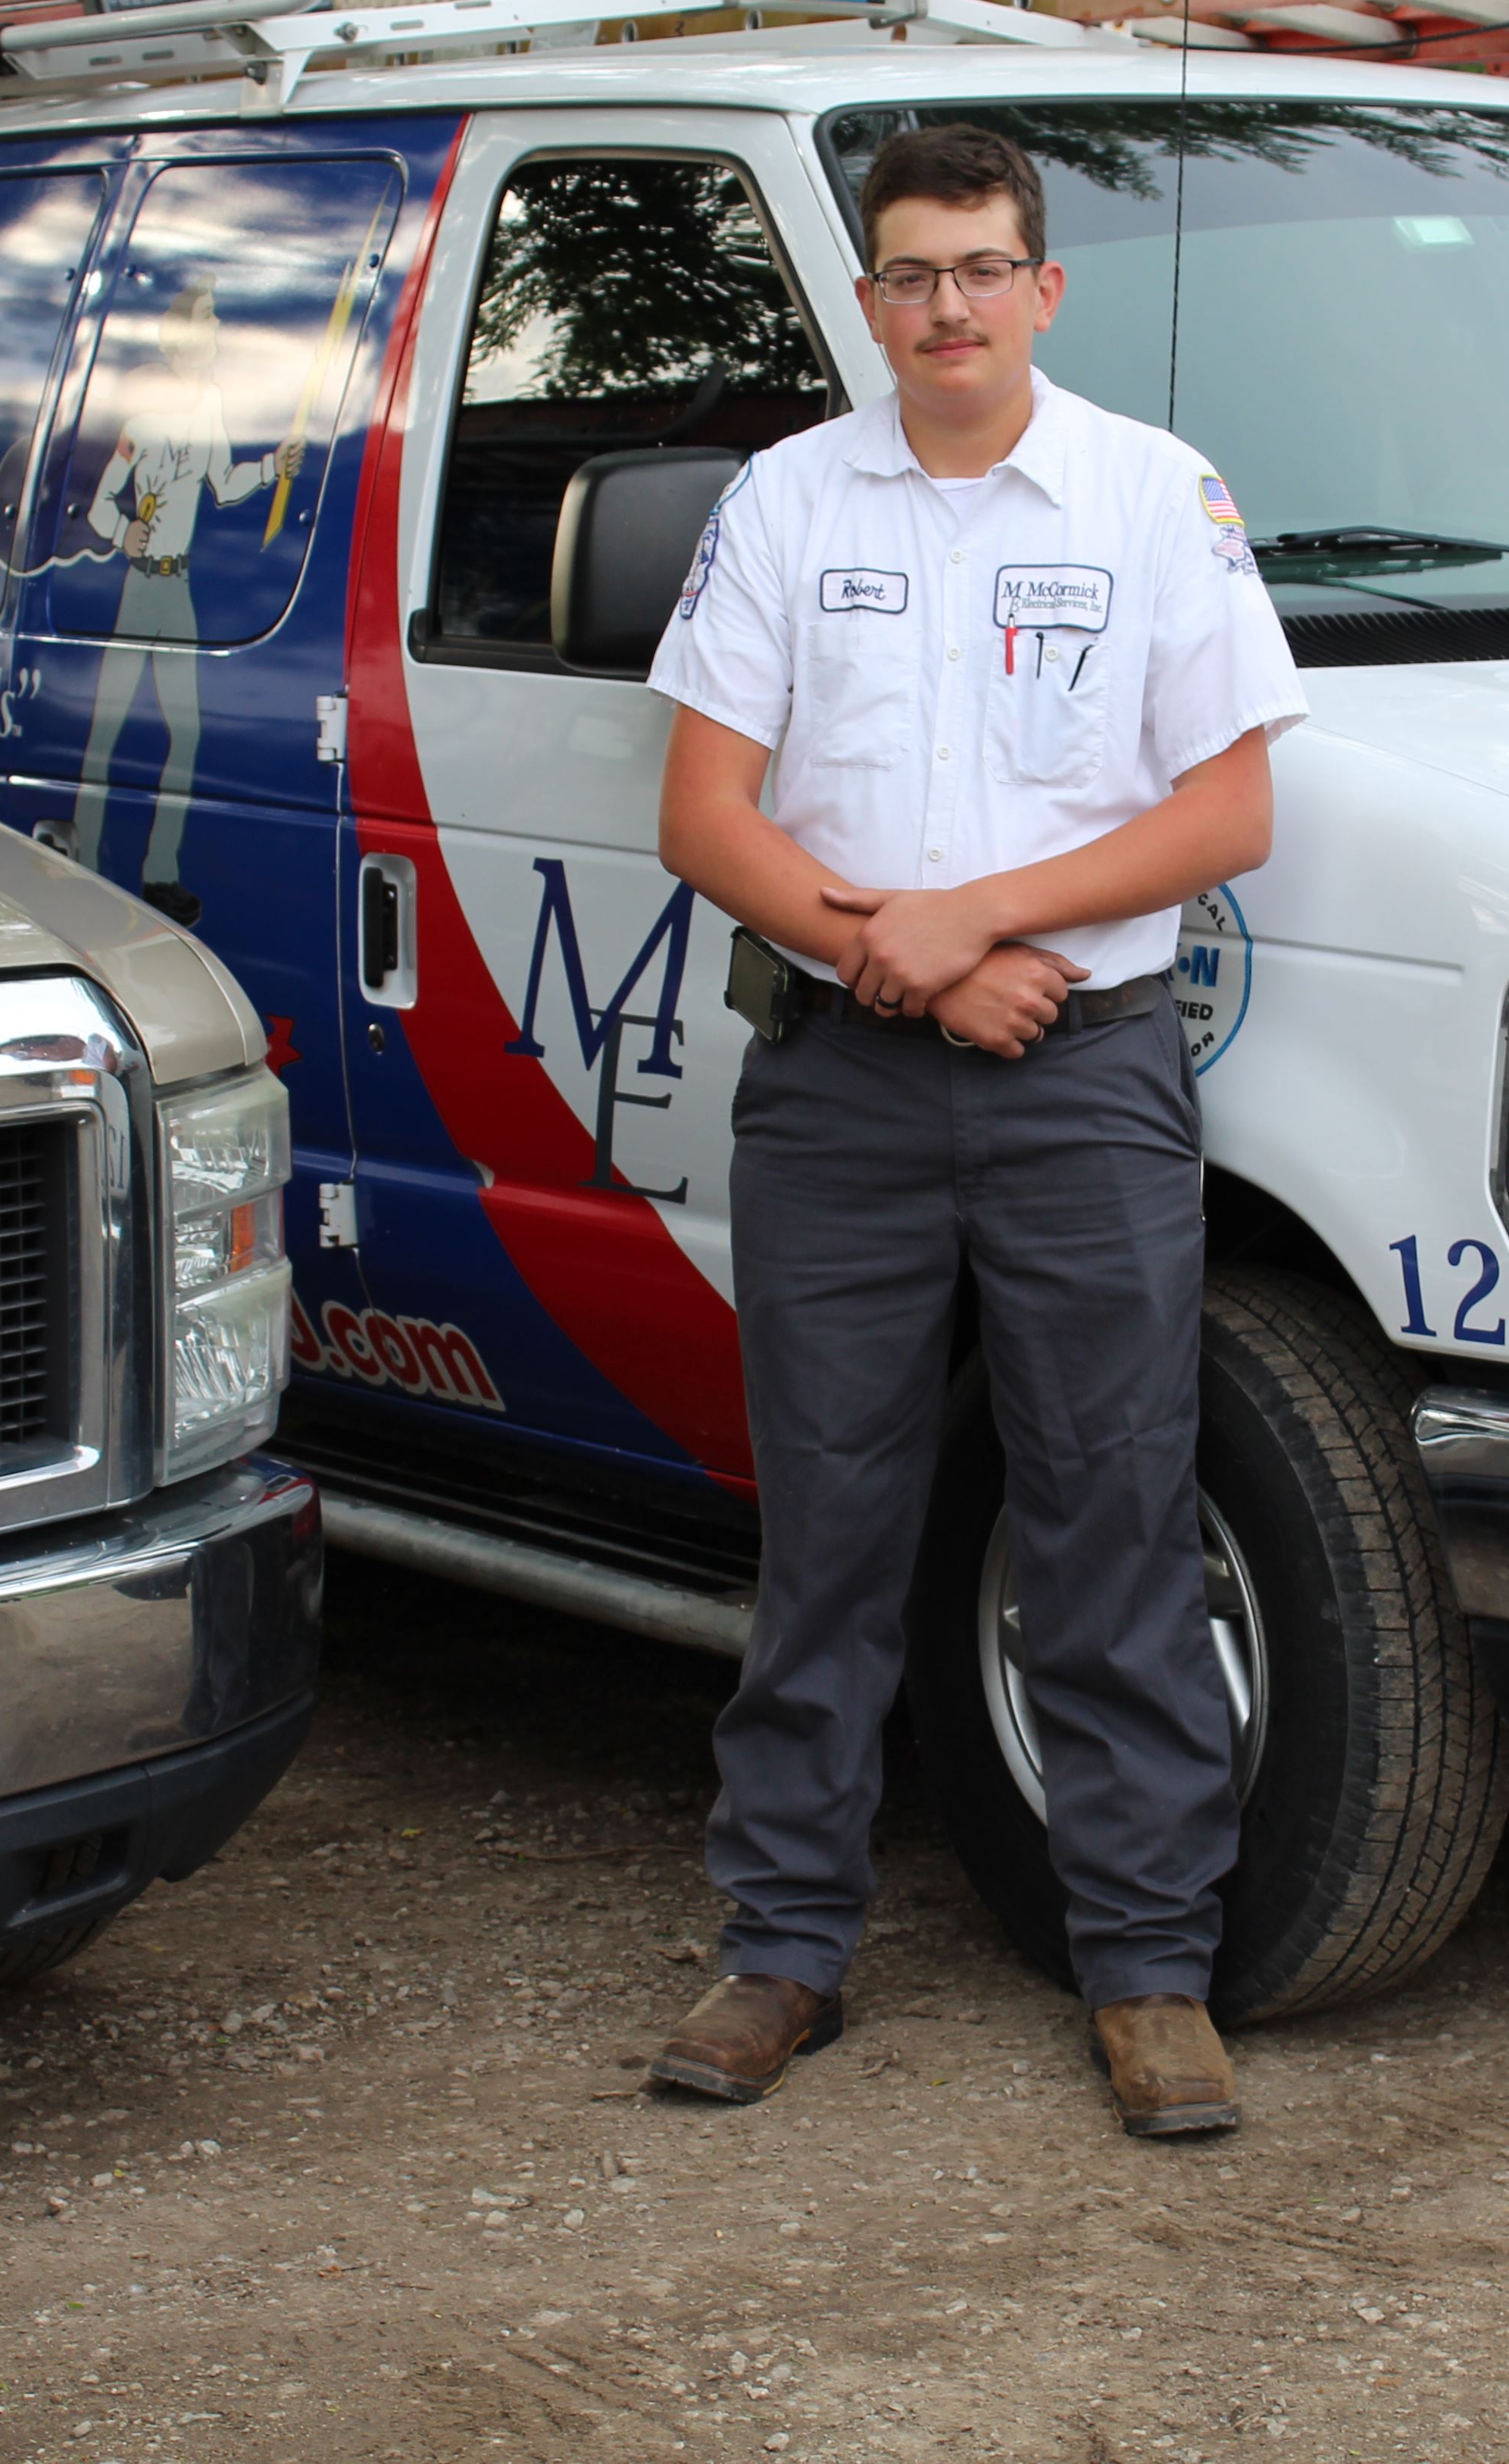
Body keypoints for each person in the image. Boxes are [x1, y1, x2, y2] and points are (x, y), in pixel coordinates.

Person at [639, 122, 1303, 2140]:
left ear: (1044, 289)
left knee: (1113, 1508)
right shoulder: (783, 502)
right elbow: (704, 816)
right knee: (829, 1520)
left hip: (1083, 1071)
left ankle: (1149, 1970)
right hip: (844, 1082)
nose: (948, 307)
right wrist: (906, 958)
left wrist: (980, 921)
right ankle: (781, 1947)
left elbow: (1226, 814)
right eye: (912, 274)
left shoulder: (1146, 498)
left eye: (982, 269)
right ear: (873, 302)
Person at [69, 284, 273, 918]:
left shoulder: (210, 404)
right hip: (140, 587)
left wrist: (273, 468)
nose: (216, 331)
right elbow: (102, 502)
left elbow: (224, 484)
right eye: (209, 319)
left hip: (178, 587)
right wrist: (121, 531)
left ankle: (161, 871)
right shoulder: (142, 418)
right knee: (105, 734)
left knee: (184, 734)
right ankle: (79, 866)